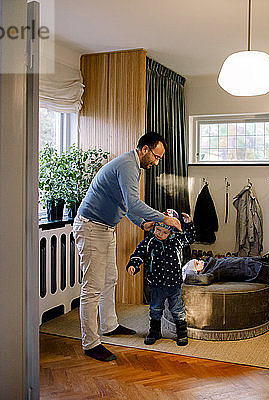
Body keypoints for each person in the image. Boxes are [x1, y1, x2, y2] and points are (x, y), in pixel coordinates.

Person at [72, 132, 182, 362]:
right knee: (92, 287)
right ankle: (90, 343)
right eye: (156, 156)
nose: (156, 162)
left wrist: (143, 223)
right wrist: (164, 218)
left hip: (106, 228)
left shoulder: (134, 167)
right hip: (91, 227)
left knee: (110, 279)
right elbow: (134, 203)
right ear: (145, 150)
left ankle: (110, 325)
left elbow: (126, 205)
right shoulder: (127, 165)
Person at [182, 256, 269, 332]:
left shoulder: (212, 263)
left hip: (255, 265)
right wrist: (185, 276)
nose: (199, 260)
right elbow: (201, 280)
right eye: (196, 263)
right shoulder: (210, 272)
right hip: (255, 271)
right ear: (198, 272)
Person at [127, 210, 195, 346]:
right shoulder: (149, 241)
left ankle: (181, 333)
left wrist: (188, 224)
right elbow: (138, 254)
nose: (160, 234)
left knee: (177, 309)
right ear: (154, 227)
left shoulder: (177, 241)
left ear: (171, 232)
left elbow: (190, 238)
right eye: (158, 230)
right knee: (155, 309)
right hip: (155, 284)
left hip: (174, 284)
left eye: (165, 232)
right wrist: (133, 265)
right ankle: (155, 332)